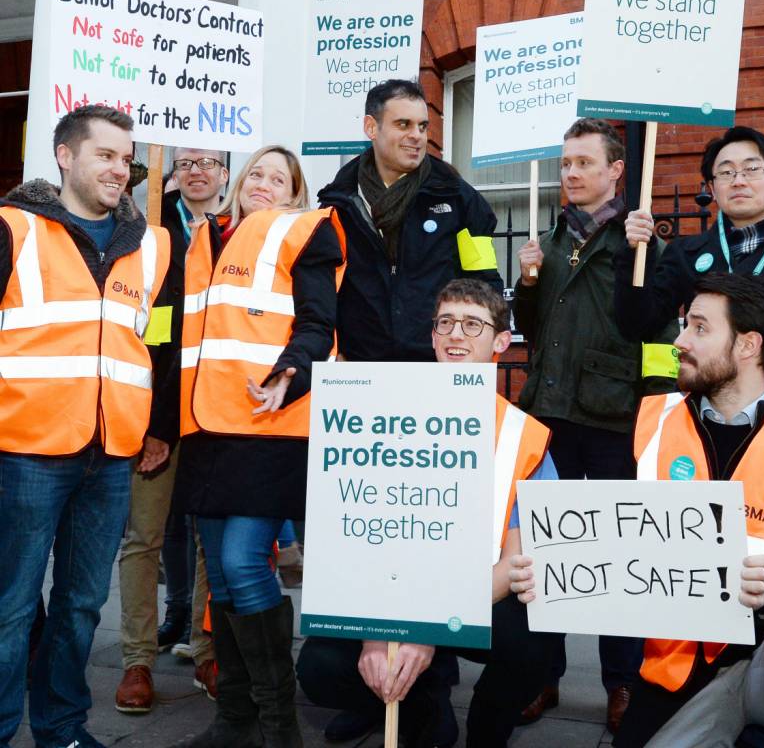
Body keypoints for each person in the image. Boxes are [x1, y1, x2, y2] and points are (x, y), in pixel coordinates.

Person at [511, 272, 764, 748]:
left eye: (699, 328)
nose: (680, 341)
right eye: (684, 325)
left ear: (748, 345)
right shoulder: (651, 420)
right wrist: (549, 571)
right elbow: (603, 542)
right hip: (674, 672)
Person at [297, 278, 559, 748]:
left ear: (501, 342)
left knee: (533, 644)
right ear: (433, 336)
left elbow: (515, 565)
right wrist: (375, 636)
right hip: (390, 592)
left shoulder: (524, 436)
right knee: (319, 666)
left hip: (479, 595)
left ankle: (486, 732)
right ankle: (422, 709)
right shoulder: (377, 410)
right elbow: (349, 540)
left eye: (473, 325)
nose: (456, 334)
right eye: (446, 323)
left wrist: (428, 631)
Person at [0, 105, 171, 748]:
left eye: (126, 159)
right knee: (11, 609)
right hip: (25, 452)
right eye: (105, 155)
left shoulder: (148, 245)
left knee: (78, 609)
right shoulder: (12, 229)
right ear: (66, 156)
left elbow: (149, 341)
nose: (119, 169)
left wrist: (154, 425)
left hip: (112, 456)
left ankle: (62, 728)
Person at [171, 145, 346, 748]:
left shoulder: (305, 232)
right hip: (206, 429)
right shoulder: (201, 241)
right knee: (219, 577)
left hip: (271, 424)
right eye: (257, 174)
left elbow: (319, 325)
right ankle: (235, 720)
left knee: (245, 562)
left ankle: (279, 726)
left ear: (295, 191)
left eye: (280, 176)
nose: (265, 183)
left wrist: (288, 374)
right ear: (239, 183)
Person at [511, 118, 680, 732]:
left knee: (616, 554)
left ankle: (621, 683)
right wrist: (527, 282)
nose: (570, 174)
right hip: (549, 414)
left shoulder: (639, 241)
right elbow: (533, 329)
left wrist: (654, 408)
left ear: (615, 171)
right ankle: (542, 677)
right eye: (565, 164)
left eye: (583, 163)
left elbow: (660, 331)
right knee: (546, 552)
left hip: (613, 418)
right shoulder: (553, 239)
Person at [116, 148, 228, 713]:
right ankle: (136, 660)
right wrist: (155, 423)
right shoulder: (147, 232)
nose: (197, 171)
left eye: (209, 162)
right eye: (187, 162)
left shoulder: (243, 232)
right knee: (143, 537)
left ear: (225, 174)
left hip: (220, 413)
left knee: (214, 540)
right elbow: (148, 335)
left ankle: (206, 649)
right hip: (157, 412)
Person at [615, 125, 764, 399]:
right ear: (712, 187)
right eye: (726, 172)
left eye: (752, 169)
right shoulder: (686, 254)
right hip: (702, 416)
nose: (738, 181)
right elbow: (637, 324)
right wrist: (637, 253)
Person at [319, 79, 503, 363]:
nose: (417, 135)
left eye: (422, 126)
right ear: (371, 127)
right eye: (403, 124)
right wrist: (332, 351)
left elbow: (484, 284)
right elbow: (321, 291)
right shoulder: (337, 204)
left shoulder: (459, 199)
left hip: (437, 366)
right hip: (356, 371)